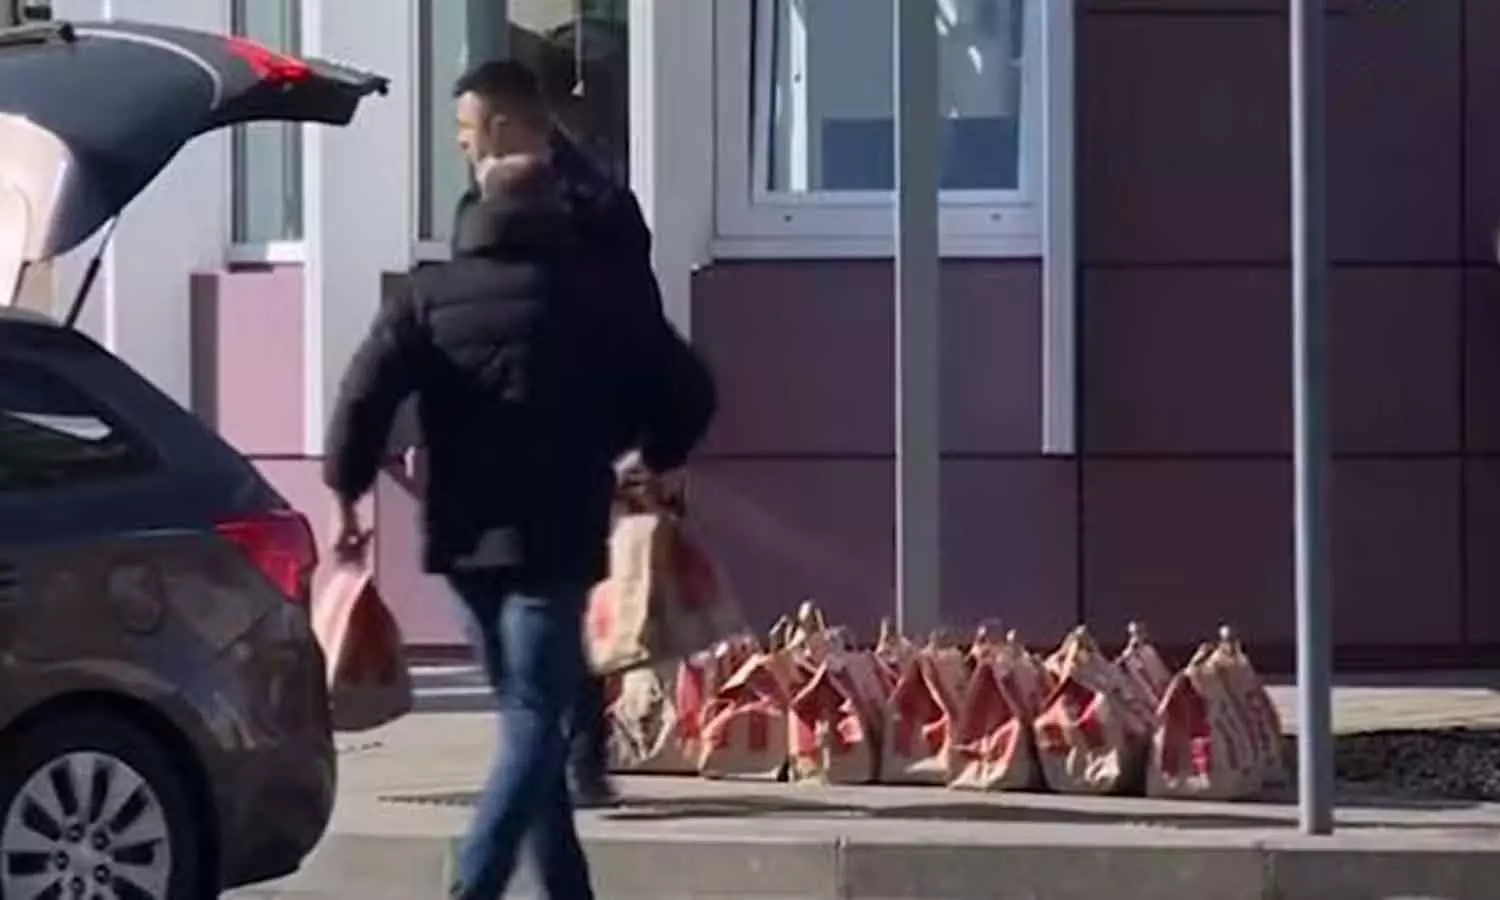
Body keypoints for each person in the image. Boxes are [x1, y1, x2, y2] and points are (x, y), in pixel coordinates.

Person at [321, 154, 716, 900]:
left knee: (525, 718)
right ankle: (476, 884)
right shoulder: (601, 297)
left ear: (478, 207)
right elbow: (691, 390)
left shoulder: (428, 295)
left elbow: (361, 397)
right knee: (537, 718)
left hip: (462, 539)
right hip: (556, 539)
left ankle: (567, 889)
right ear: (555, 213)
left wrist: (346, 495)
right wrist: (657, 458)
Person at [448, 57, 672, 807]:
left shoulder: (600, 207)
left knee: (552, 598)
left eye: (466, 127)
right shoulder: (474, 205)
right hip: (493, 436)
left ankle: (566, 759)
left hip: (573, 433)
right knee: (516, 605)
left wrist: (646, 440)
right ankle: (553, 756)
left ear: (503, 125)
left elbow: (640, 324)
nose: (460, 143)